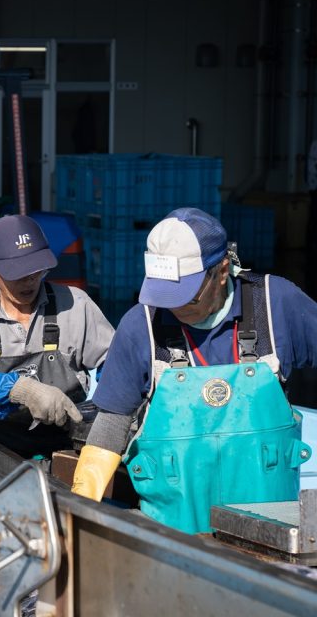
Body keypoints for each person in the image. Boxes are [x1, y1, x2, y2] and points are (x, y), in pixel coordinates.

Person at [71, 208, 317, 534]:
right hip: (174, 534)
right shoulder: (140, 325)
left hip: (269, 529)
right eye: (164, 296)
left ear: (222, 270)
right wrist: (79, 508)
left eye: (186, 297)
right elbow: (112, 423)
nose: (174, 308)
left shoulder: (275, 304)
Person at [0, 215, 113, 457]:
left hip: (70, 447)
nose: (30, 281)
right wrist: (20, 389)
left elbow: (119, 367)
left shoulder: (75, 304)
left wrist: (104, 409)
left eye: (36, 270)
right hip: (1, 452)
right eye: (17, 274)